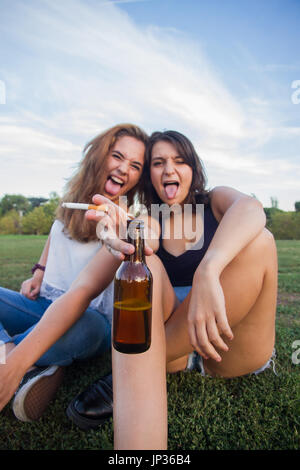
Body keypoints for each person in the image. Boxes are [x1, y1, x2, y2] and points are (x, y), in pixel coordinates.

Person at [70, 130, 278, 450]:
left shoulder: (215, 201)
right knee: (143, 261)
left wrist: (209, 270)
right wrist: (124, 233)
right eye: (158, 163)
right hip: (174, 354)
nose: (169, 169)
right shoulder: (151, 216)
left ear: (192, 168)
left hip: (228, 349)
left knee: (261, 240)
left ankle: (128, 371)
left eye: (179, 161)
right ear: (150, 176)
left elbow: (252, 208)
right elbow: (144, 235)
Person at [0, 123, 148, 423]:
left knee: (86, 326)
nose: (123, 169)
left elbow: (141, 234)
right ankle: (24, 357)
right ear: (99, 155)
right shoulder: (69, 202)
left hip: (90, 319)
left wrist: (126, 229)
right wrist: (39, 271)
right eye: (117, 156)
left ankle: (19, 356)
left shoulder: (124, 218)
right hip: (43, 306)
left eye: (135, 165)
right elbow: (56, 235)